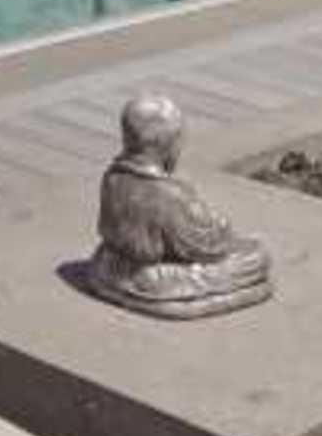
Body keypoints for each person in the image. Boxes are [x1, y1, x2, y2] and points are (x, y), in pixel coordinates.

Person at [88, 92, 272, 318]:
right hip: (153, 277)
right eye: (177, 140)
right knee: (256, 256)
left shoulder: (112, 178)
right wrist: (219, 225)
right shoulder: (169, 195)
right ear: (162, 145)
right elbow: (208, 248)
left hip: (110, 263)